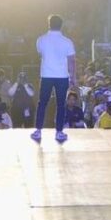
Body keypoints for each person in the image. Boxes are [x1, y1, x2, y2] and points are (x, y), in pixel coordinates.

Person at [31, 14, 76, 143]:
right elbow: (72, 61)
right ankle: (59, 132)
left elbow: (40, 53)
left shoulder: (41, 40)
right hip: (62, 76)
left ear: (49, 24)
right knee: (61, 104)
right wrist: (73, 77)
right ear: (61, 25)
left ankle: (38, 131)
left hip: (46, 76)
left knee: (42, 103)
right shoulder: (67, 41)